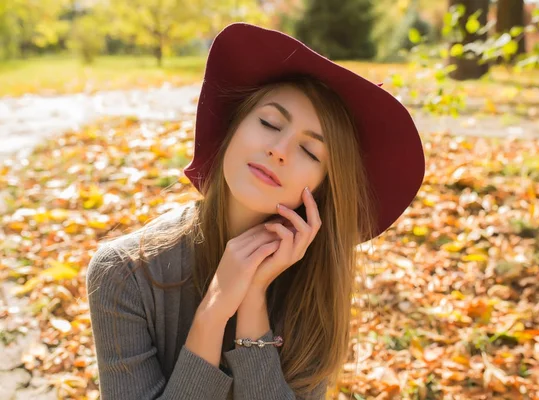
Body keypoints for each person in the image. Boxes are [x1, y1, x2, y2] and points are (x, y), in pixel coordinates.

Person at [86, 22, 425, 400]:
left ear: (322, 189)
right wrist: (213, 313)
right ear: (232, 126)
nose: (279, 149)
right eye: (269, 123)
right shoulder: (124, 273)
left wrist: (252, 303)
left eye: (311, 152)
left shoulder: (315, 285)